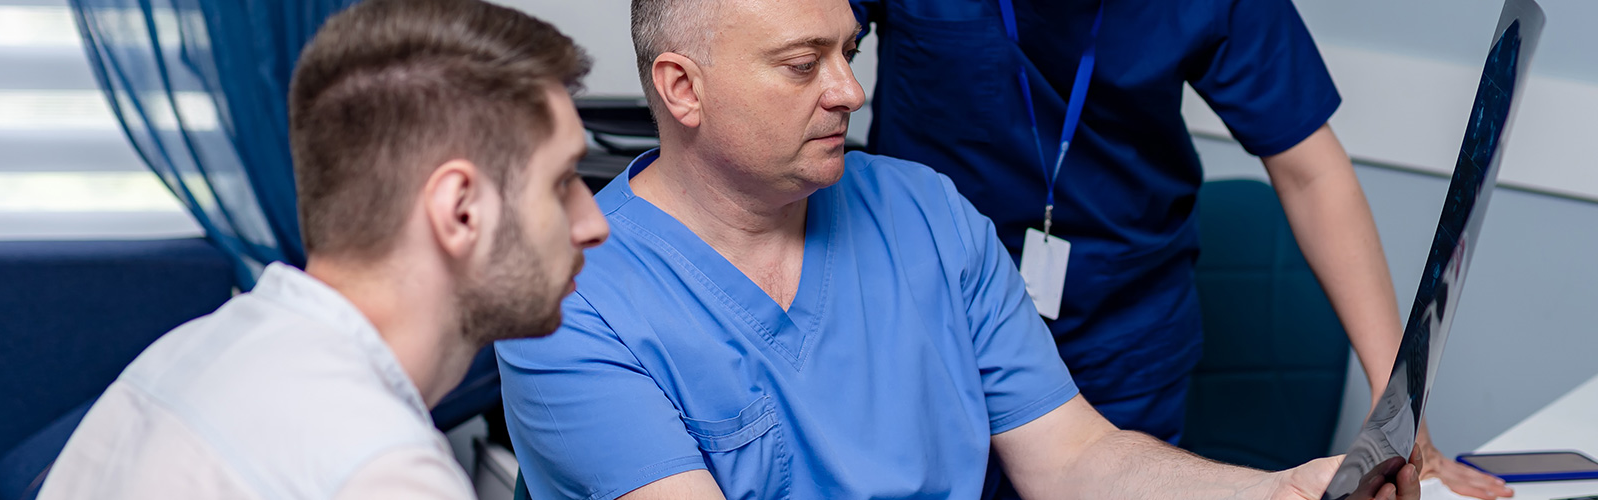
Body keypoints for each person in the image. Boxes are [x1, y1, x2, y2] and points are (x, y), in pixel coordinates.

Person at [493, 0, 1418, 498]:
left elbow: (1075, 460)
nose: (850, 91)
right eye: (805, 64)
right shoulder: (574, 305)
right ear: (681, 89)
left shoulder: (927, 213)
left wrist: (1273, 494)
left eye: (849, 52)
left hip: (1125, 308)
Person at [850, 0, 1511, 498]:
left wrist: (1395, 397)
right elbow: (798, 39)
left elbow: (1313, 174)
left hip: (1121, 331)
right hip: (928, 319)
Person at [34, 1, 609, 498]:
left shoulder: (184, 353)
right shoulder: (381, 471)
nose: (594, 223)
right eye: (563, 182)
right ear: (460, 210)